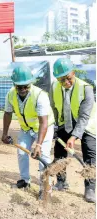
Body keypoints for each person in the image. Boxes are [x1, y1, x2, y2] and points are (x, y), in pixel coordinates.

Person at [1, 64, 55, 199]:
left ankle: (45, 187)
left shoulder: (40, 95)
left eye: (26, 86)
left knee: (44, 156)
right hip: (26, 128)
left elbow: (44, 122)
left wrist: (38, 144)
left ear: (31, 83)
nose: (23, 89)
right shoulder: (10, 94)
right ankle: (25, 181)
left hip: (43, 128)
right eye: (19, 86)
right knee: (21, 152)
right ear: (14, 84)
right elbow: (7, 113)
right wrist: (4, 133)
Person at [50, 58, 96, 203]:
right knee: (59, 152)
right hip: (66, 123)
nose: (65, 83)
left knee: (90, 153)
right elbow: (54, 110)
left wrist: (75, 136)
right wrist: (56, 127)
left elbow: (84, 117)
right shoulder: (54, 87)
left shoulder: (86, 88)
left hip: (87, 124)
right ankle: (61, 182)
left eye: (68, 78)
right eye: (61, 80)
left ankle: (90, 188)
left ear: (73, 73)